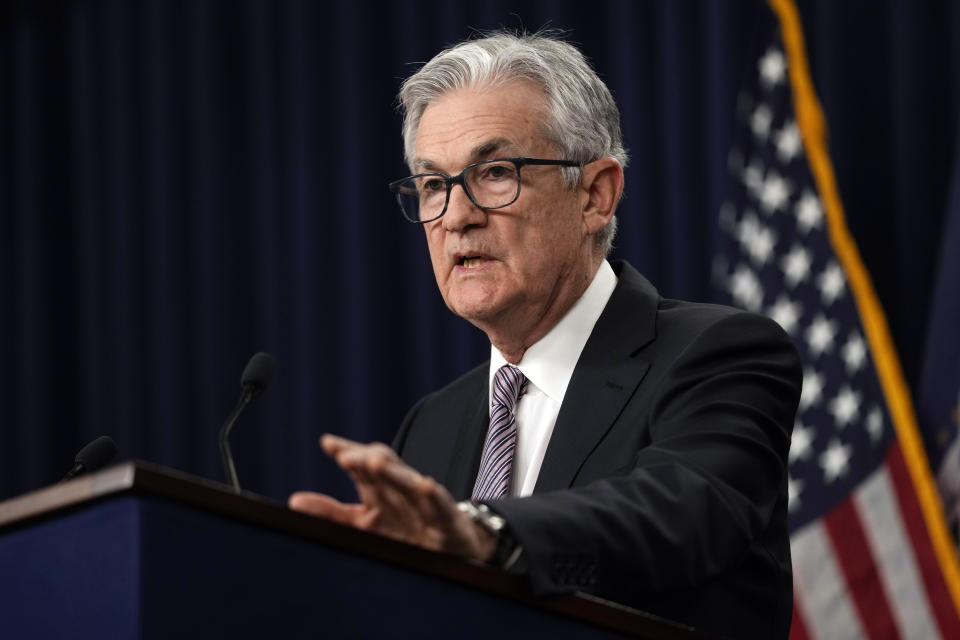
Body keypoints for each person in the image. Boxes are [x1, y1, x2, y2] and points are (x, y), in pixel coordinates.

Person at [289, 31, 801, 640]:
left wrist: (489, 536)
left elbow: (681, 516)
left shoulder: (720, 354)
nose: (456, 217)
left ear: (595, 196)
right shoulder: (433, 424)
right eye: (432, 184)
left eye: (496, 173)